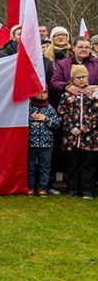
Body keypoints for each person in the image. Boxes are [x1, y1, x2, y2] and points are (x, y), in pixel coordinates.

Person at [57, 64, 98, 198]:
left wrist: (88, 127)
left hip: (90, 137)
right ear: (72, 79)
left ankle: (87, 190)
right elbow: (62, 113)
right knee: (72, 165)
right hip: (71, 138)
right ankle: (72, 189)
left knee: (88, 165)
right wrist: (72, 128)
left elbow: (96, 114)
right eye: (78, 77)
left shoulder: (93, 94)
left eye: (83, 77)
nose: (81, 80)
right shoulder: (67, 95)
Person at [28, 91, 60, 196]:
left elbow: (56, 124)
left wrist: (45, 119)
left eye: (45, 93)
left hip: (46, 144)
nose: (42, 95)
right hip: (31, 143)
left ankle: (43, 188)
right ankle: (30, 187)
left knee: (45, 167)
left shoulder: (49, 108)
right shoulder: (28, 107)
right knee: (30, 167)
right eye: (39, 92)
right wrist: (31, 118)